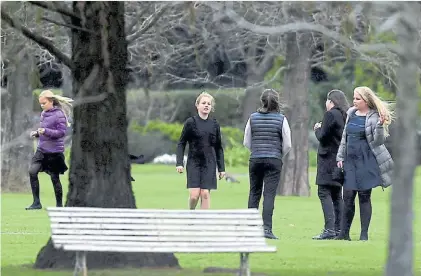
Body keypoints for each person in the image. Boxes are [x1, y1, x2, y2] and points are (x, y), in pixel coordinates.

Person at [336, 86, 394, 241]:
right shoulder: (350, 113)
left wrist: (380, 126)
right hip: (350, 161)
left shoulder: (374, 117)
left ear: (366, 101)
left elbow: (378, 141)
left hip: (366, 161)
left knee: (364, 196)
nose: (354, 101)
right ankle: (344, 234)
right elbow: (344, 138)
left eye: (357, 99)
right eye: (354, 98)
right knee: (347, 196)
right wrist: (340, 157)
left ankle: (363, 235)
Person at [243, 89, 292, 240]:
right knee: (269, 194)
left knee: (254, 192)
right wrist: (278, 154)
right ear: (277, 102)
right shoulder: (281, 119)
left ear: (262, 101)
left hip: (256, 159)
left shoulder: (252, 118)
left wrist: (256, 150)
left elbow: (246, 141)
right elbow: (288, 144)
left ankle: (250, 228)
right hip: (274, 159)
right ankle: (267, 229)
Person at [176, 92, 226, 210]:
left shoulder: (214, 124)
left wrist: (221, 168)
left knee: (205, 193)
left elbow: (219, 147)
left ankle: (204, 223)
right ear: (197, 105)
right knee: (194, 196)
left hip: (209, 163)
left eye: (209, 104)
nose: (206, 105)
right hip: (194, 162)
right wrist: (179, 163)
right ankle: (191, 213)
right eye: (203, 103)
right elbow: (181, 143)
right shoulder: (190, 122)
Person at [26, 90, 73, 210]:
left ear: (51, 101)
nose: (42, 106)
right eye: (41, 104)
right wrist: (37, 133)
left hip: (54, 152)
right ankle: (36, 203)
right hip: (41, 150)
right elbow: (43, 131)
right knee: (32, 172)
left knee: (54, 178)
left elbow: (61, 133)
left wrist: (46, 131)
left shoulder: (59, 114)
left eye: (44, 103)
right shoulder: (43, 114)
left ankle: (59, 206)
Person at [312, 90, 349, 240]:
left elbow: (322, 137)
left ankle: (329, 229)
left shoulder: (330, 114)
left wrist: (317, 129)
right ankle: (338, 228)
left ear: (331, 101)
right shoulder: (344, 115)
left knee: (324, 192)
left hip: (327, 158)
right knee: (336, 194)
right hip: (339, 158)